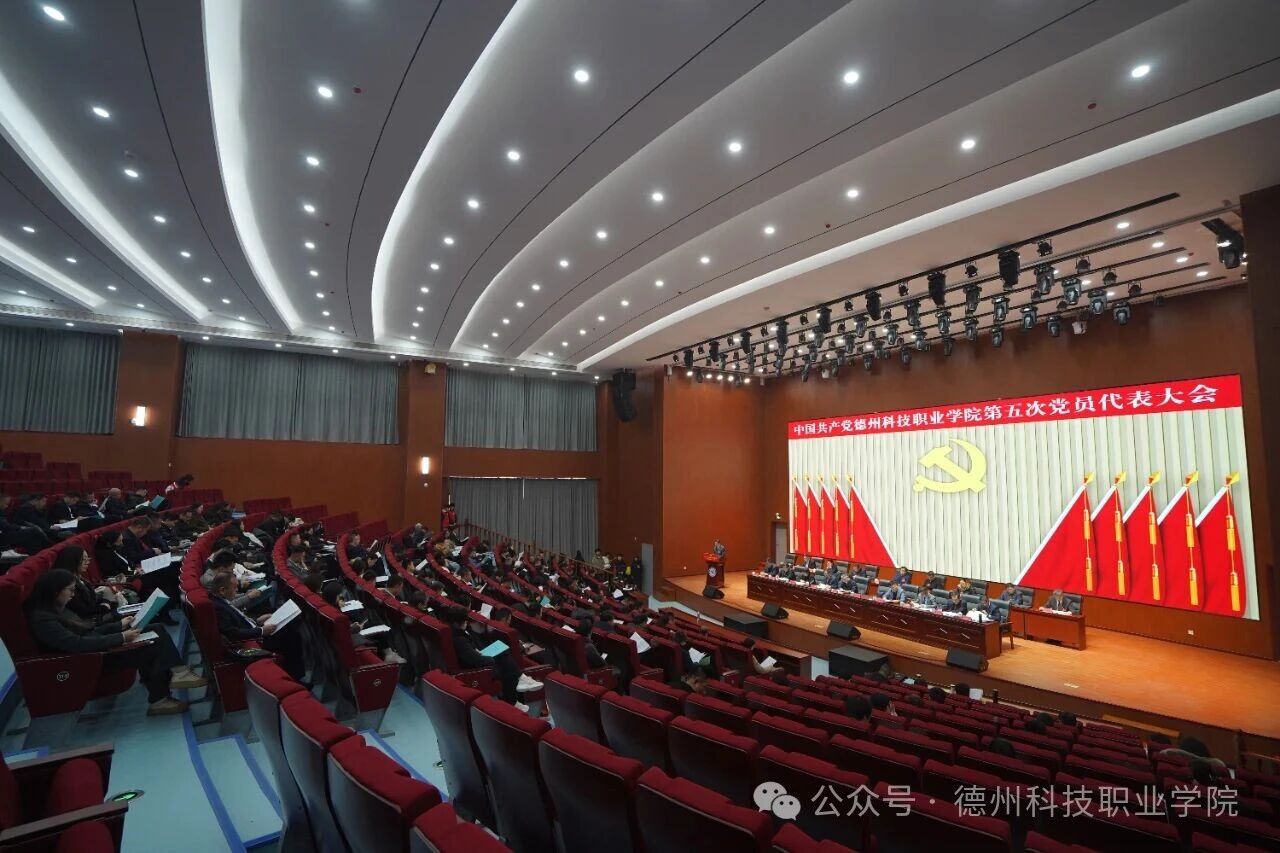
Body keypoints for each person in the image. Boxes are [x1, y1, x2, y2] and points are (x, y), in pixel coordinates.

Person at [25, 568, 202, 715]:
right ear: (55, 591)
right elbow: (77, 644)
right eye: (70, 590)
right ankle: (160, 699)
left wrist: (119, 626)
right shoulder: (43, 620)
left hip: (96, 647)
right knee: (150, 647)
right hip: (88, 661)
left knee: (156, 629)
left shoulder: (58, 610)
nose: (73, 594)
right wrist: (122, 637)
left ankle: (178, 672)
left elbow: (89, 630)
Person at [208, 572, 306, 681]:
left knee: (291, 628)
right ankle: (295, 678)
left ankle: (294, 675)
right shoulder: (219, 607)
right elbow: (233, 633)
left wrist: (258, 621)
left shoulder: (221, 601)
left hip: (253, 629)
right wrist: (261, 631)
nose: (237, 590)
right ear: (222, 590)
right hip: (252, 639)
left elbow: (240, 620)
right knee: (292, 636)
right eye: (234, 587)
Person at [441, 606, 540, 710]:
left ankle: (518, 687)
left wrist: (477, 650)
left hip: (476, 660)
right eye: (465, 621)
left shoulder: (455, 632)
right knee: (505, 664)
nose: (467, 623)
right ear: (457, 623)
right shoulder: (459, 639)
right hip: (476, 670)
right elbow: (476, 660)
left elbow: (471, 649)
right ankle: (515, 693)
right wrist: (490, 658)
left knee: (502, 653)